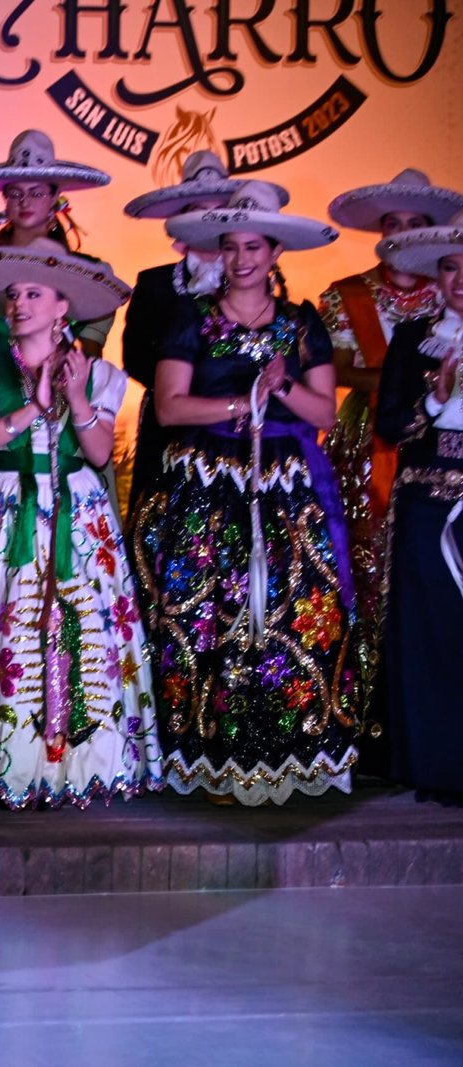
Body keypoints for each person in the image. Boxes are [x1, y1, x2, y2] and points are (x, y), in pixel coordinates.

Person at [133, 183, 356, 805]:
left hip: (284, 486)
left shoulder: (301, 324)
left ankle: (284, 753)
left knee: (289, 614)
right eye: (230, 247)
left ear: (276, 251)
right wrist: (243, 401)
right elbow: (171, 408)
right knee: (205, 615)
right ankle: (209, 757)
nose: (241, 259)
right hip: (206, 484)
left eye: (253, 247)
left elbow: (324, 413)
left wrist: (280, 388)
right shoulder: (191, 320)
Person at [0, 239, 160, 807]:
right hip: (3, 505)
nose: (19, 304)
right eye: (13, 295)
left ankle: (84, 764)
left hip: (75, 510)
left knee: (83, 624)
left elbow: (98, 453)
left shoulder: (97, 373)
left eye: (34, 294)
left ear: (62, 308)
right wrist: (34, 403)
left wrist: (75, 398)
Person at [318, 169, 463, 750]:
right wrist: (423, 391)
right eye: (393, 224)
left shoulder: (435, 301)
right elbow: (346, 379)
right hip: (379, 451)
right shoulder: (351, 296)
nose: (400, 231)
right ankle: (376, 715)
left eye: (413, 223)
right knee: (368, 566)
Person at [120, 151, 287, 525]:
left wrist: (235, 393)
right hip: (170, 421)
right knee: (161, 516)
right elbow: (134, 356)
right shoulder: (154, 282)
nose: (210, 220)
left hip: (239, 424)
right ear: (183, 218)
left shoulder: (252, 280)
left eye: (218, 210)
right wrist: (184, 388)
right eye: (199, 210)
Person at [371, 209, 463, 806]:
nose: (461, 280)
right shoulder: (413, 338)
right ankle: (436, 765)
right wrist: (433, 399)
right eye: (450, 268)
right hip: (427, 501)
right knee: (430, 632)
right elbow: (388, 425)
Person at [0, 130, 112, 359]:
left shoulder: (89, 272)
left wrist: (71, 382)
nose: (25, 202)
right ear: (5, 199)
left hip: (64, 380)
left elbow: (91, 359)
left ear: (55, 197)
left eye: (37, 193)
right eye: (16, 194)